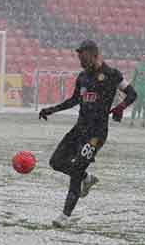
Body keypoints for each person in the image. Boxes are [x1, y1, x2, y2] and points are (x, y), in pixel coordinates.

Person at [39, 40, 137, 228]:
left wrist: (120, 108)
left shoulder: (112, 75)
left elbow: (132, 94)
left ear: (94, 55)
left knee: (76, 169)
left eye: (83, 58)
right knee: (56, 162)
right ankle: (86, 178)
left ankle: (65, 216)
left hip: (97, 134)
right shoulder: (82, 77)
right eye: (79, 58)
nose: (80, 62)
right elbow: (74, 100)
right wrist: (51, 110)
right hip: (79, 129)